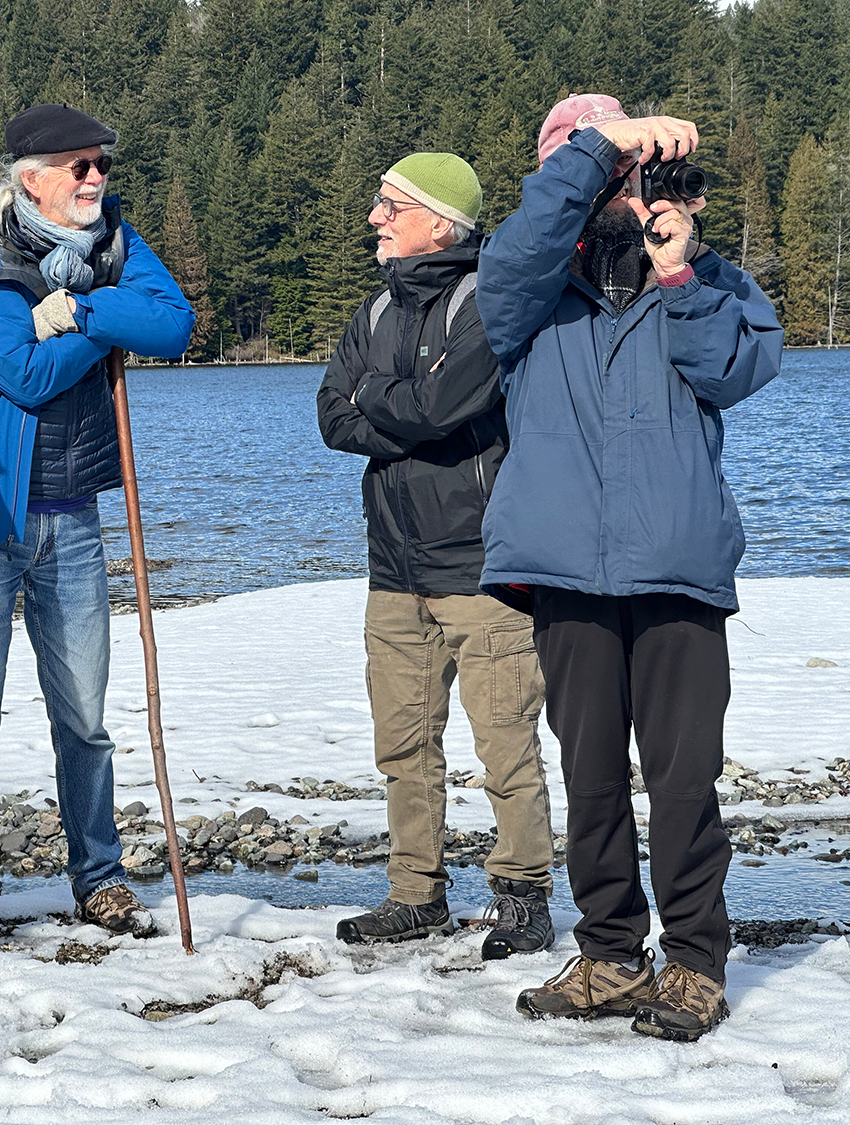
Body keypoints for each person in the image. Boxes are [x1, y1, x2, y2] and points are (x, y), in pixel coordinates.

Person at [477, 94, 782, 1041]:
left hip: (676, 565)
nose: (615, 181)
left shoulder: (708, 277)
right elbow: (520, 248)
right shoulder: (527, 289)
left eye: (624, 165)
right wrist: (603, 143)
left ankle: (694, 959)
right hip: (565, 566)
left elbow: (737, 368)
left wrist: (681, 269)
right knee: (593, 773)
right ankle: (611, 952)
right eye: (596, 165)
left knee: (685, 776)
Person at [0, 104, 194, 950]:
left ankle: (99, 878)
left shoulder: (114, 241)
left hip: (72, 515)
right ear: (28, 176)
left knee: (84, 717)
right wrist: (108, 315)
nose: (95, 178)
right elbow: (27, 374)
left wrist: (81, 307)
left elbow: (174, 326)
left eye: (100, 164)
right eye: (77, 166)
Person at [317, 154, 555, 960]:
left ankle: (524, 893)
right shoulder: (376, 308)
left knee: (505, 742)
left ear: (440, 222)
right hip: (394, 568)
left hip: (482, 567)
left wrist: (386, 404)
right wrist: (411, 411)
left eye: (391, 205)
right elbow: (330, 416)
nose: (375, 218)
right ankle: (415, 894)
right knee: (403, 746)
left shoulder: (485, 298)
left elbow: (446, 405)